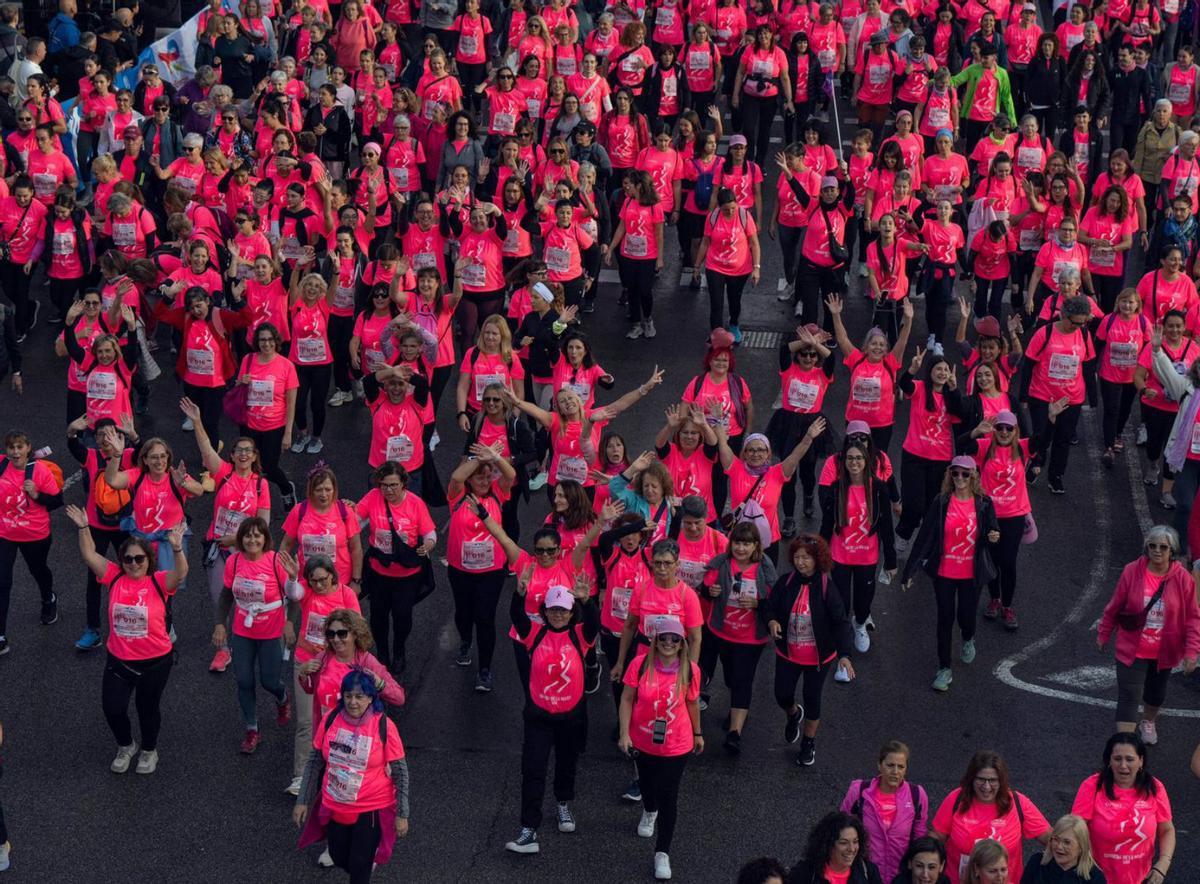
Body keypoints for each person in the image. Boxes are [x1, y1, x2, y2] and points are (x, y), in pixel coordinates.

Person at [65, 504, 187, 775]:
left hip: (155, 661)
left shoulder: (159, 582)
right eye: (128, 559)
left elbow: (181, 574)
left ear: (148, 560)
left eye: (139, 559)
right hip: (120, 659)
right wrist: (84, 528)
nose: (133, 564)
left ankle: (148, 750)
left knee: (147, 709)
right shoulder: (114, 577)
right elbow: (88, 554)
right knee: (112, 708)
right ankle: (126, 745)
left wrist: (177, 549)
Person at [504, 573, 597, 854]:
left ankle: (563, 803)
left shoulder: (580, 636)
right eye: (553, 609)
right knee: (532, 769)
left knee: (567, 764)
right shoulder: (534, 633)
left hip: (571, 717)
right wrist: (519, 594)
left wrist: (587, 600)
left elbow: (594, 624)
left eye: (563, 610)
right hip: (539, 717)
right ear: (544, 611)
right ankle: (528, 829)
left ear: (571, 613)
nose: (558, 614)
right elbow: (516, 615)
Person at [294, 670, 410, 882]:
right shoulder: (331, 719)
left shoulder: (384, 725)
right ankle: (364, 864)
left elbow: (400, 772)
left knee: (359, 866)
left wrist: (402, 814)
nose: (353, 702)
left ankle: (365, 865)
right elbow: (314, 762)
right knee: (338, 857)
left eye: (359, 696)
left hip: (371, 807)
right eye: (348, 696)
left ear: (370, 698)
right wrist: (302, 801)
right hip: (335, 803)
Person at [901, 457, 1001, 691]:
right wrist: (910, 571)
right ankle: (944, 668)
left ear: (973, 476)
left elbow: (992, 530)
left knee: (966, 616)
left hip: (971, 573)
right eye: (955, 474)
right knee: (945, 619)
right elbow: (925, 536)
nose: (959, 479)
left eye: (965, 474)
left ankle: (968, 637)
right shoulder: (941, 502)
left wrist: (993, 535)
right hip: (945, 572)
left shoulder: (984, 503)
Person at [617, 613, 702, 882]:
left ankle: (662, 852)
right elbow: (627, 699)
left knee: (669, 794)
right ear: (654, 641)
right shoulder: (640, 664)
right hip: (642, 740)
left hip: (677, 744)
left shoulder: (691, 669)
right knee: (647, 786)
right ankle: (648, 809)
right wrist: (623, 734)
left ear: (681, 643)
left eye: (673, 639)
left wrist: (698, 733)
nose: (668, 643)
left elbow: (691, 703)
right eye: (663, 638)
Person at [1096, 524, 1200, 744]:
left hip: (1164, 651)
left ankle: (1148, 720)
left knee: (1156, 694)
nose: (1157, 551)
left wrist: (1192, 651)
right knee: (1128, 696)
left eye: (1163, 546)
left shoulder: (1183, 579)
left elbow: (1192, 617)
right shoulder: (1131, 571)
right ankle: (1125, 743)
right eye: (1152, 545)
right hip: (1132, 649)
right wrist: (1104, 632)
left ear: (1172, 551)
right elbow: (1115, 605)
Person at [766, 534, 856, 767]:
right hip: (788, 653)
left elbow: (841, 622)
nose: (801, 562)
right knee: (781, 694)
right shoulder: (786, 581)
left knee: (812, 697)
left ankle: (808, 742)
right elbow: (769, 606)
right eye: (796, 557)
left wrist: (845, 655)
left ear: (818, 559)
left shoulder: (827, 587)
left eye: (806, 557)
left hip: (818, 657)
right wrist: (772, 621)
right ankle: (794, 713)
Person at [214, 518, 298, 753]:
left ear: (265, 539)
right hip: (243, 630)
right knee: (243, 680)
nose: (252, 540)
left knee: (269, 681)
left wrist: (289, 623)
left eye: (257, 535)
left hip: (272, 631)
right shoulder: (234, 561)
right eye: (247, 535)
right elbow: (226, 596)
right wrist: (220, 623)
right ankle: (252, 729)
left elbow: (295, 597)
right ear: (241, 538)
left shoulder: (275, 562)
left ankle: (282, 698)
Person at [356, 462, 436, 678]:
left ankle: (399, 649)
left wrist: (428, 544)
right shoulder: (373, 497)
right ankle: (382, 653)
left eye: (393, 485)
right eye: (384, 485)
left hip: (406, 575)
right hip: (378, 571)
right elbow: (355, 519)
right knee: (378, 617)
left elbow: (430, 533)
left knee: (402, 615)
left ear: (404, 484)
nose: (388, 490)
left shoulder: (415, 504)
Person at [930, 750, 1051, 883]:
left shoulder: (1017, 802)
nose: (986, 787)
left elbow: (1052, 839)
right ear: (971, 778)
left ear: (1001, 781)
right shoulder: (956, 799)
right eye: (981, 779)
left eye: (993, 780)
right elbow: (935, 840)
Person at [0, 431, 64, 654]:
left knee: (38, 571)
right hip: (4, 533)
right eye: (11, 448)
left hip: (34, 534)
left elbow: (57, 501)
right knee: (2, 581)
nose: (15, 452)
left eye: (19, 447)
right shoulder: (1, 465)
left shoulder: (40, 471)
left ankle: (48, 598)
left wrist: (36, 494)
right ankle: (0, 635)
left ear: (28, 448)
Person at [840, 741, 931, 883]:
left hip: (901, 876)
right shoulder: (858, 791)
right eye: (890, 765)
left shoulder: (917, 795)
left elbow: (919, 838)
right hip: (865, 873)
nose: (895, 772)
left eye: (901, 766)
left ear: (906, 769)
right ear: (879, 765)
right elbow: (841, 826)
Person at [786, 811, 884, 884]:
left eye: (855, 842)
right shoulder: (805, 873)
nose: (852, 849)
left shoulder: (868, 871)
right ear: (828, 844)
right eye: (843, 843)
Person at [1021, 814, 1106, 883]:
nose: (1059, 846)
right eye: (1056, 839)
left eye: (1067, 842)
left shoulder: (1095, 878)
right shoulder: (1036, 863)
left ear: (1081, 846)